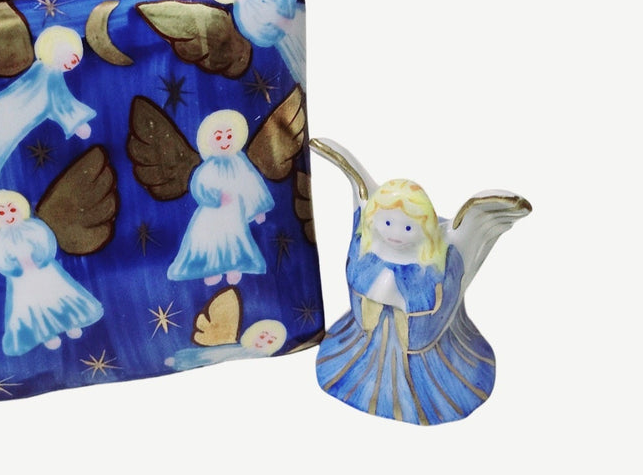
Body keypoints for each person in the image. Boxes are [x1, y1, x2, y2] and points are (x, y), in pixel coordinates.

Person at [315, 179, 494, 424]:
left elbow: (435, 303)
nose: (396, 235)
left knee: (425, 385)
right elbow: (356, 278)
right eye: (388, 223)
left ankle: (415, 399)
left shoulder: (432, 265)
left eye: (408, 228)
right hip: (365, 345)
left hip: (420, 358)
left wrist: (400, 294)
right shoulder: (368, 249)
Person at [0, 25, 95, 177]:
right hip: (14, 111)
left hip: (15, 113)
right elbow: (62, 104)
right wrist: (79, 124)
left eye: (75, 59)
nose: (73, 63)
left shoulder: (47, 73)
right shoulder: (49, 76)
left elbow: (60, 103)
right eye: (71, 57)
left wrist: (78, 124)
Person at [0, 190, 104, 355]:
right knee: (33, 303)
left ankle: (71, 322)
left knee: (57, 293)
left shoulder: (34, 228)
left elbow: (46, 244)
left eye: (12, 209)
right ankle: (46, 334)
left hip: (44, 270)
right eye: (2, 213)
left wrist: (41, 259)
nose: (9, 215)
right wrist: (15, 268)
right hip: (22, 279)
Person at [167, 110, 274, 286]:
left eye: (229, 136)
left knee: (234, 238)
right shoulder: (208, 167)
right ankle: (211, 269)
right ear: (209, 141)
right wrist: (215, 198)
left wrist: (258, 209)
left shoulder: (240, 162)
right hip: (212, 213)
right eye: (218, 137)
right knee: (209, 240)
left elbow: (252, 185)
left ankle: (234, 268)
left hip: (233, 213)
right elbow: (199, 188)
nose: (225, 142)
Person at [206, 0, 306, 88]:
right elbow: (252, 29)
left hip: (290, 17)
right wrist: (272, 28)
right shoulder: (241, 11)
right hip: (277, 32)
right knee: (294, 50)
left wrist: (283, 12)